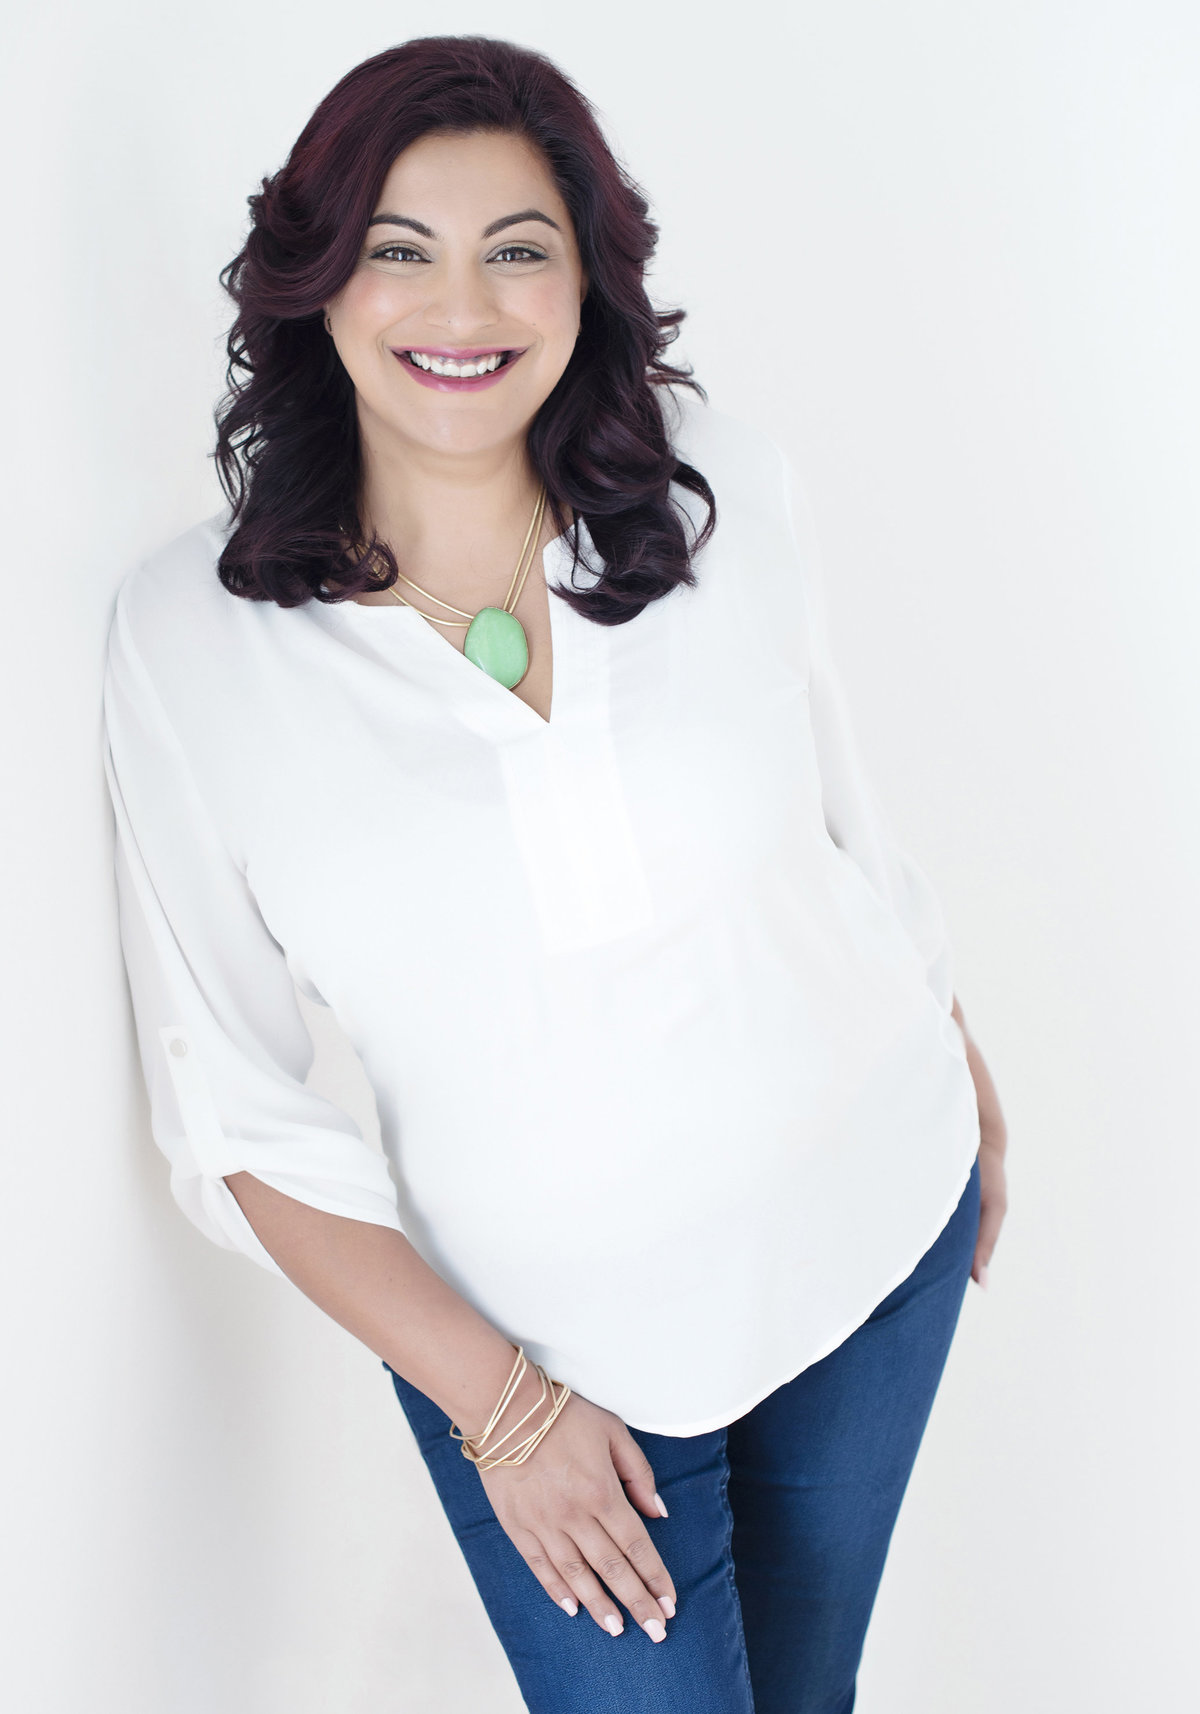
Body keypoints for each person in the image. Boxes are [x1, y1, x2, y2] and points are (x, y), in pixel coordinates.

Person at [101, 34, 1008, 1714]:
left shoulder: (711, 478)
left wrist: (937, 1027)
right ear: (317, 280)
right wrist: (499, 1405)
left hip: (872, 1244)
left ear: (588, 275)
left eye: (519, 246)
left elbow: (836, 813)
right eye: (399, 248)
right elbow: (233, 1109)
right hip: (547, 1366)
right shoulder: (194, 647)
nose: (465, 305)